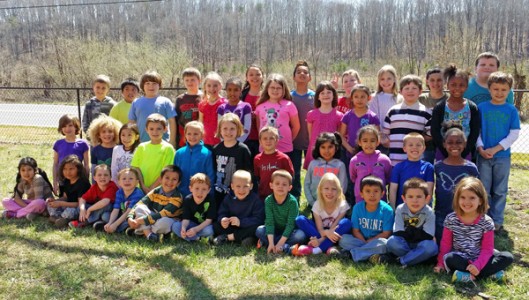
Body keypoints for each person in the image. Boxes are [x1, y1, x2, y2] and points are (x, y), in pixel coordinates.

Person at [434, 177, 514, 283]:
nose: (467, 202)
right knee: (449, 258)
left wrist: (478, 265)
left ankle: (467, 276)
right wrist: (440, 263)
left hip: (481, 258)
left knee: (508, 257)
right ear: (457, 199)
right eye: (462, 197)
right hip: (461, 258)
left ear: (480, 200)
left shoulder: (487, 222)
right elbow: (446, 244)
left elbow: (487, 249)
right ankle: (490, 274)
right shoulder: (451, 219)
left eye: (472, 198)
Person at [477, 72, 520, 232]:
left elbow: (514, 133)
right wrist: (480, 148)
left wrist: (496, 148)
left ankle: (497, 221)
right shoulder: (481, 108)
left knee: (500, 190)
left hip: (502, 157)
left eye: (504, 89)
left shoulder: (511, 110)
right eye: (496, 89)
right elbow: (477, 131)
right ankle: (483, 219)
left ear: (509, 90)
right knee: (484, 190)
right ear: (489, 89)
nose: (499, 93)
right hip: (483, 156)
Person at [434, 123, 479, 243]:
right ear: (444, 144)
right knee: (441, 244)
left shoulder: (471, 168)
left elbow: (477, 192)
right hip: (441, 214)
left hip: (464, 215)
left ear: (464, 144)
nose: (454, 145)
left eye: (459, 142)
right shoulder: (438, 167)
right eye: (450, 142)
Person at [292, 173, 351, 256]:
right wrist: (325, 234)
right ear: (320, 190)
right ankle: (327, 246)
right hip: (320, 232)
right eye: (326, 188)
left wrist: (319, 240)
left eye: (333, 189)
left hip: (335, 231)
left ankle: (318, 249)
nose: (330, 192)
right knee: (300, 219)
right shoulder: (317, 205)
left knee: (346, 222)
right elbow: (320, 229)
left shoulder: (342, 205)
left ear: (339, 191)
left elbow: (334, 227)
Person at [339, 176, 394, 263]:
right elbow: (355, 230)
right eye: (368, 191)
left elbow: (386, 233)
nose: (372, 195)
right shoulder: (357, 207)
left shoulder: (387, 210)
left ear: (382, 193)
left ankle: (352, 254)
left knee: (385, 243)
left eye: (376, 191)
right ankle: (369, 254)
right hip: (360, 240)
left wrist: (370, 242)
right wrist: (365, 243)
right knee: (343, 239)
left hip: (376, 241)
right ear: (361, 193)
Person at [431, 65, 480, 161]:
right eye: (453, 85)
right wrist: (446, 151)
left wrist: (464, 151)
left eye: (461, 85)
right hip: (443, 153)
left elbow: (475, 132)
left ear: (466, 86)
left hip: (465, 154)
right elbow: (435, 132)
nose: (457, 88)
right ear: (447, 85)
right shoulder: (440, 107)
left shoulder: (472, 108)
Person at [387, 178, 438, 267]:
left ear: (427, 198)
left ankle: (402, 260)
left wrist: (410, 232)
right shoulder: (400, 209)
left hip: (421, 244)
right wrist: (414, 233)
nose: (415, 200)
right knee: (391, 242)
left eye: (419, 196)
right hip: (404, 244)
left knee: (431, 247)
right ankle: (417, 258)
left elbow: (428, 235)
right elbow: (398, 232)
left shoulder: (429, 212)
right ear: (404, 198)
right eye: (410, 197)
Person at [382, 75, 432, 166]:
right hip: (394, 160)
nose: (410, 91)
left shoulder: (426, 112)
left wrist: (416, 142)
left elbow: (430, 133)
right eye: (407, 88)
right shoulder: (392, 111)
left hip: (415, 161)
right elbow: (385, 133)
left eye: (414, 88)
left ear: (420, 91)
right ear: (400, 91)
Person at [127, 165, 184, 242]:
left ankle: (140, 231)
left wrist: (140, 221)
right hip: (153, 217)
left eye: (174, 179)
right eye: (167, 178)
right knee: (140, 208)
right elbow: (140, 203)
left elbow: (163, 214)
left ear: (178, 183)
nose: (170, 182)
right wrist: (130, 217)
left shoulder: (178, 197)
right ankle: (149, 234)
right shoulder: (156, 191)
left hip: (167, 218)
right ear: (160, 179)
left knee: (164, 222)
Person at [255, 170, 307, 254]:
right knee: (259, 230)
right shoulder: (268, 200)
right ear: (271, 185)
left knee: (300, 235)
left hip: (290, 231)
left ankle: (275, 244)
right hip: (275, 230)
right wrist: (271, 242)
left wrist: (280, 242)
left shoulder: (292, 202)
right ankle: (282, 246)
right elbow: (269, 222)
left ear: (289, 187)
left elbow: (291, 224)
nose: (280, 187)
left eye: (284, 184)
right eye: (277, 183)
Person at [212, 170, 264, 246]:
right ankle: (242, 238)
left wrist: (240, 222)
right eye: (238, 186)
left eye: (245, 186)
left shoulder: (255, 200)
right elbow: (222, 212)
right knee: (216, 225)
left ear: (251, 186)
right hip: (232, 227)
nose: (241, 190)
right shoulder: (229, 197)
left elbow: (259, 219)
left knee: (257, 228)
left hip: (247, 227)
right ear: (232, 186)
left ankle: (228, 238)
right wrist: (223, 219)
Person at [128, 70, 177, 147]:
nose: (151, 86)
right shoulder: (136, 102)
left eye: (154, 83)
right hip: (141, 144)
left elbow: (172, 122)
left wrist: (172, 141)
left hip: (163, 144)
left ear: (159, 85)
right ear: (142, 86)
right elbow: (131, 123)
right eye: (147, 83)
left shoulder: (165, 102)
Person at [255, 73, 300, 156]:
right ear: (267, 89)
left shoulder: (289, 105)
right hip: (265, 148)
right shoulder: (260, 106)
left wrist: (289, 139)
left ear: (283, 89)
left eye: (278, 88)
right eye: (272, 87)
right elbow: (259, 127)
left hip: (284, 148)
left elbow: (296, 127)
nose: (275, 90)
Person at [213, 113, 252, 208]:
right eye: (225, 129)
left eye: (232, 129)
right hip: (219, 192)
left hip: (238, 193)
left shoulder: (243, 149)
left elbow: (249, 172)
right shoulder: (216, 149)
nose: (228, 132)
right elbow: (214, 169)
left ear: (238, 130)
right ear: (220, 130)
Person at [131, 114, 175, 194]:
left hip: (159, 190)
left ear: (165, 129)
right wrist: (142, 185)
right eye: (151, 129)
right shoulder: (141, 147)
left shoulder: (168, 149)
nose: (155, 132)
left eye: (158, 129)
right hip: (140, 190)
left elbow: (166, 172)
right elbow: (136, 168)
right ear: (146, 130)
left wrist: (153, 187)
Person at [389, 133, 434, 209]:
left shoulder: (428, 167)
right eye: (410, 145)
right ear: (404, 148)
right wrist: (393, 210)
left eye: (418, 145)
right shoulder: (398, 167)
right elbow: (393, 190)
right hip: (402, 210)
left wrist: (423, 211)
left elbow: (429, 191)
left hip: (421, 211)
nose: (415, 148)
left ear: (424, 148)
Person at [304, 81, 343, 169]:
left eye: (329, 92)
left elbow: (339, 137)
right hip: (315, 151)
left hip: (331, 152)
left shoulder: (339, 116)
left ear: (334, 95)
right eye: (322, 93)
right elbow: (311, 135)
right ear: (318, 96)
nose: (326, 95)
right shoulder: (311, 114)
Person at [290, 60, 315, 200]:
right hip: (294, 140)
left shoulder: (315, 96)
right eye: (299, 72)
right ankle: (296, 198)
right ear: (294, 77)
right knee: (295, 172)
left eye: (305, 72)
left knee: (312, 171)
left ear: (310, 77)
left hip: (311, 141)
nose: (302, 74)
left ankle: (313, 198)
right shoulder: (289, 96)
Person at [94, 168, 145, 233]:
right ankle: (111, 226)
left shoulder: (138, 193)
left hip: (133, 216)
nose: (127, 181)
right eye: (124, 179)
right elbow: (116, 209)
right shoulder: (119, 192)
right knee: (105, 216)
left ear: (137, 182)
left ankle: (115, 228)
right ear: (119, 182)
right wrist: (110, 222)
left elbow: (128, 212)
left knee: (133, 222)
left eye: (131, 179)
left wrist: (115, 225)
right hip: (122, 215)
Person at [349, 125, 392, 203]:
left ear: (378, 142)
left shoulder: (384, 160)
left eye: (372, 141)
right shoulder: (354, 160)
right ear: (359, 142)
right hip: (360, 199)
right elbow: (353, 178)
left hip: (380, 199)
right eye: (365, 141)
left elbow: (388, 177)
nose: (369, 144)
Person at [304, 132, 348, 207]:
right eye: (323, 147)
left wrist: (335, 202)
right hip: (315, 204)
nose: (327, 151)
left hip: (334, 205)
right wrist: (312, 202)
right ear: (318, 148)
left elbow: (342, 186)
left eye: (330, 147)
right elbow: (307, 184)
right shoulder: (313, 164)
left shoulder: (340, 165)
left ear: (336, 147)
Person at [68, 164, 118, 228]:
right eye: (99, 175)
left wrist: (89, 210)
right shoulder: (94, 187)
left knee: (106, 213)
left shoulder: (111, 186)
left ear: (110, 177)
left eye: (106, 175)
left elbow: (105, 202)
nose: (102, 177)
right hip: (100, 212)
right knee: (82, 206)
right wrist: (82, 210)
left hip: (112, 211)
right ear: (94, 177)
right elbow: (83, 199)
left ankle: (85, 222)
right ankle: (98, 221)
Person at [173, 121, 215, 198]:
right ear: (185, 135)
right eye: (189, 134)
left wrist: (210, 196)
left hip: (199, 195)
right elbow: (174, 173)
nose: (192, 137)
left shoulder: (207, 154)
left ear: (202, 135)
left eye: (196, 134)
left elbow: (210, 176)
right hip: (180, 194)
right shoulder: (179, 153)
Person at [47, 155, 91, 228]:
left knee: (70, 211)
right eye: (65, 169)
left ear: (78, 169)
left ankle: (59, 219)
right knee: (49, 205)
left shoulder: (82, 183)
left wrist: (61, 203)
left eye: (71, 169)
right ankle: (59, 219)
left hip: (80, 207)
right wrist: (55, 201)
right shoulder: (66, 181)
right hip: (67, 205)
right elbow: (65, 197)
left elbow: (79, 204)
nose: (68, 172)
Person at [368, 65, 404, 154]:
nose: (386, 82)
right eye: (382, 79)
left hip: (397, 139)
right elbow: (373, 118)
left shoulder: (400, 98)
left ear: (395, 79)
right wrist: (382, 137)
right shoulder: (375, 97)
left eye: (389, 78)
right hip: (381, 140)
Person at [339, 84, 380, 161]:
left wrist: (368, 149)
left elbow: (377, 137)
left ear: (369, 98)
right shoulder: (347, 115)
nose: (359, 99)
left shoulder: (373, 117)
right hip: (351, 155)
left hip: (368, 156)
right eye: (356, 97)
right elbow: (341, 136)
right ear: (352, 98)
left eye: (362, 97)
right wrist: (349, 148)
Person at [172, 173, 216, 242]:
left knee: (210, 230)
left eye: (204, 189)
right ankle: (196, 238)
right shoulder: (188, 200)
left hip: (203, 226)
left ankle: (191, 238)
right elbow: (186, 219)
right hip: (191, 225)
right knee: (175, 226)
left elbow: (208, 221)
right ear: (191, 188)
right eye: (197, 188)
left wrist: (196, 230)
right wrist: (183, 228)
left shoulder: (211, 200)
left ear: (208, 190)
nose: (200, 192)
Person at [254, 126, 294, 200]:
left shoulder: (284, 158)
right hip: (263, 195)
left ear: (277, 140)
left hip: (280, 196)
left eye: (271, 138)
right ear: (260, 141)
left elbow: (290, 177)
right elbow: (257, 177)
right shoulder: (257, 158)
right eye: (265, 138)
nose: (268, 141)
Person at [52, 114, 90, 194]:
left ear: (76, 127)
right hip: (63, 179)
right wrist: (55, 183)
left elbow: (86, 164)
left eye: (70, 125)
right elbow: (55, 164)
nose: (67, 129)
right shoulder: (58, 144)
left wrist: (85, 180)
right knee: (64, 200)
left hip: (78, 179)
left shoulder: (83, 144)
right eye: (64, 126)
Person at [418, 67, 449, 164]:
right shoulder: (420, 99)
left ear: (444, 81)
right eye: (432, 80)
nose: (436, 83)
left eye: (439, 80)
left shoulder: (450, 99)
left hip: (444, 144)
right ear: (427, 81)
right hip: (425, 145)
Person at [241, 64, 264, 161]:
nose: (255, 77)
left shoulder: (268, 94)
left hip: (263, 137)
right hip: (245, 137)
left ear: (263, 77)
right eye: (251, 74)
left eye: (258, 74)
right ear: (246, 78)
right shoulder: (242, 95)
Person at [217, 77, 252, 143]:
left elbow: (247, 129)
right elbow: (220, 128)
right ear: (226, 91)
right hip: (226, 144)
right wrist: (226, 142)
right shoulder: (221, 108)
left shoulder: (246, 107)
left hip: (242, 144)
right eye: (229, 90)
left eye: (236, 90)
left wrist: (236, 143)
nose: (232, 93)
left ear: (240, 91)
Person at [175, 67, 202, 148]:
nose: (189, 82)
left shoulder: (204, 97)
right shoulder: (180, 99)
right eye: (187, 80)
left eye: (192, 80)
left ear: (199, 80)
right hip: (183, 136)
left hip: (200, 135)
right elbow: (177, 119)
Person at [198, 72, 226, 147]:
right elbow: (200, 122)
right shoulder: (202, 104)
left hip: (220, 141)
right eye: (209, 86)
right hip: (205, 141)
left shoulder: (224, 103)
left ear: (220, 86)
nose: (212, 89)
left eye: (215, 86)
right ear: (205, 87)